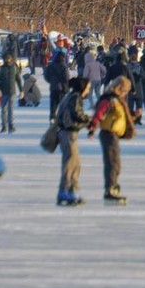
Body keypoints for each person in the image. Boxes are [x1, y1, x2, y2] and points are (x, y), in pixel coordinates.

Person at [88, 76, 133, 204]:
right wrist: (92, 127)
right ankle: (109, 190)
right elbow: (99, 113)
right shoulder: (108, 99)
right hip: (108, 134)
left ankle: (113, 186)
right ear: (119, 88)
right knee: (112, 163)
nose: (126, 93)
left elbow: (120, 116)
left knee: (116, 163)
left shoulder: (117, 100)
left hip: (113, 135)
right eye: (125, 90)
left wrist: (134, 116)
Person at [53, 78, 91, 206]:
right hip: (68, 133)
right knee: (70, 163)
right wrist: (89, 120)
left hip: (68, 133)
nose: (89, 90)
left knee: (75, 163)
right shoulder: (75, 98)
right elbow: (77, 114)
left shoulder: (71, 96)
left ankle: (71, 190)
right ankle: (64, 191)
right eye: (88, 87)